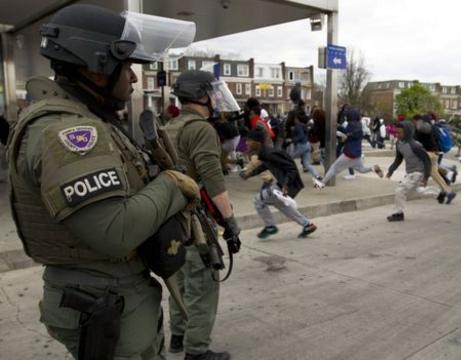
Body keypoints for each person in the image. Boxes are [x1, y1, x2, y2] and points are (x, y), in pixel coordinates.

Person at [7, 4, 200, 358]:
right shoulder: (70, 132)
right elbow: (114, 232)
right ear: (96, 67)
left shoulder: (88, 118)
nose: (134, 77)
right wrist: (173, 185)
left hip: (111, 293)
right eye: (126, 65)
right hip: (105, 297)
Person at [164, 70, 241, 360]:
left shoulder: (171, 125)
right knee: (203, 285)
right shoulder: (201, 129)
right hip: (195, 222)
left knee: (181, 281)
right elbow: (213, 178)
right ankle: (196, 351)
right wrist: (230, 221)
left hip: (171, 220)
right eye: (212, 92)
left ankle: (178, 336)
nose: (215, 98)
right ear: (200, 95)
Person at [241, 129, 318, 239]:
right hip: (285, 183)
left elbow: (291, 168)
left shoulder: (269, 153)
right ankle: (307, 225)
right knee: (280, 204)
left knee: (258, 200)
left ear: (257, 142)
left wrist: (285, 185)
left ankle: (270, 227)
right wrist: (250, 174)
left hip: (287, 183)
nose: (246, 143)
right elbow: (265, 165)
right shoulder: (264, 152)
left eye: (249, 140)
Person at [315, 107, 383, 188]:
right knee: (362, 169)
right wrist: (339, 127)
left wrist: (339, 131)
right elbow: (349, 133)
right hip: (357, 154)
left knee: (334, 167)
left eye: (347, 116)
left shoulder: (351, 125)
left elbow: (346, 134)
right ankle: (373, 168)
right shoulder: (359, 124)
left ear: (351, 116)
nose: (346, 117)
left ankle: (322, 183)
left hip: (349, 153)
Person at [385, 121, 432, 221]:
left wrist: (426, 177)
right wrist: (391, 170)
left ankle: (398, 214)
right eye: (396, 133)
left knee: (400, 191)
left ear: (407, 132)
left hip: (418, 172)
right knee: (418, 192)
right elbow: (398, 159)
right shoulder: (399, 144)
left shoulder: (415, 145)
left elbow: (426, 160)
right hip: (410, 173)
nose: (397, 135)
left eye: (400, 133)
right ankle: (439, 193)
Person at [411, 115, 456, 204]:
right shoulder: (426, 127)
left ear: (417, 121)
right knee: (435, 173)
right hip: (434, 153)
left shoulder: (422, 128)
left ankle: (448, 189)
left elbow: (415, 139)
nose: (413, 124)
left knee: (432, 173)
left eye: (413, 121)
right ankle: (448, 190)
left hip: (430, 154)